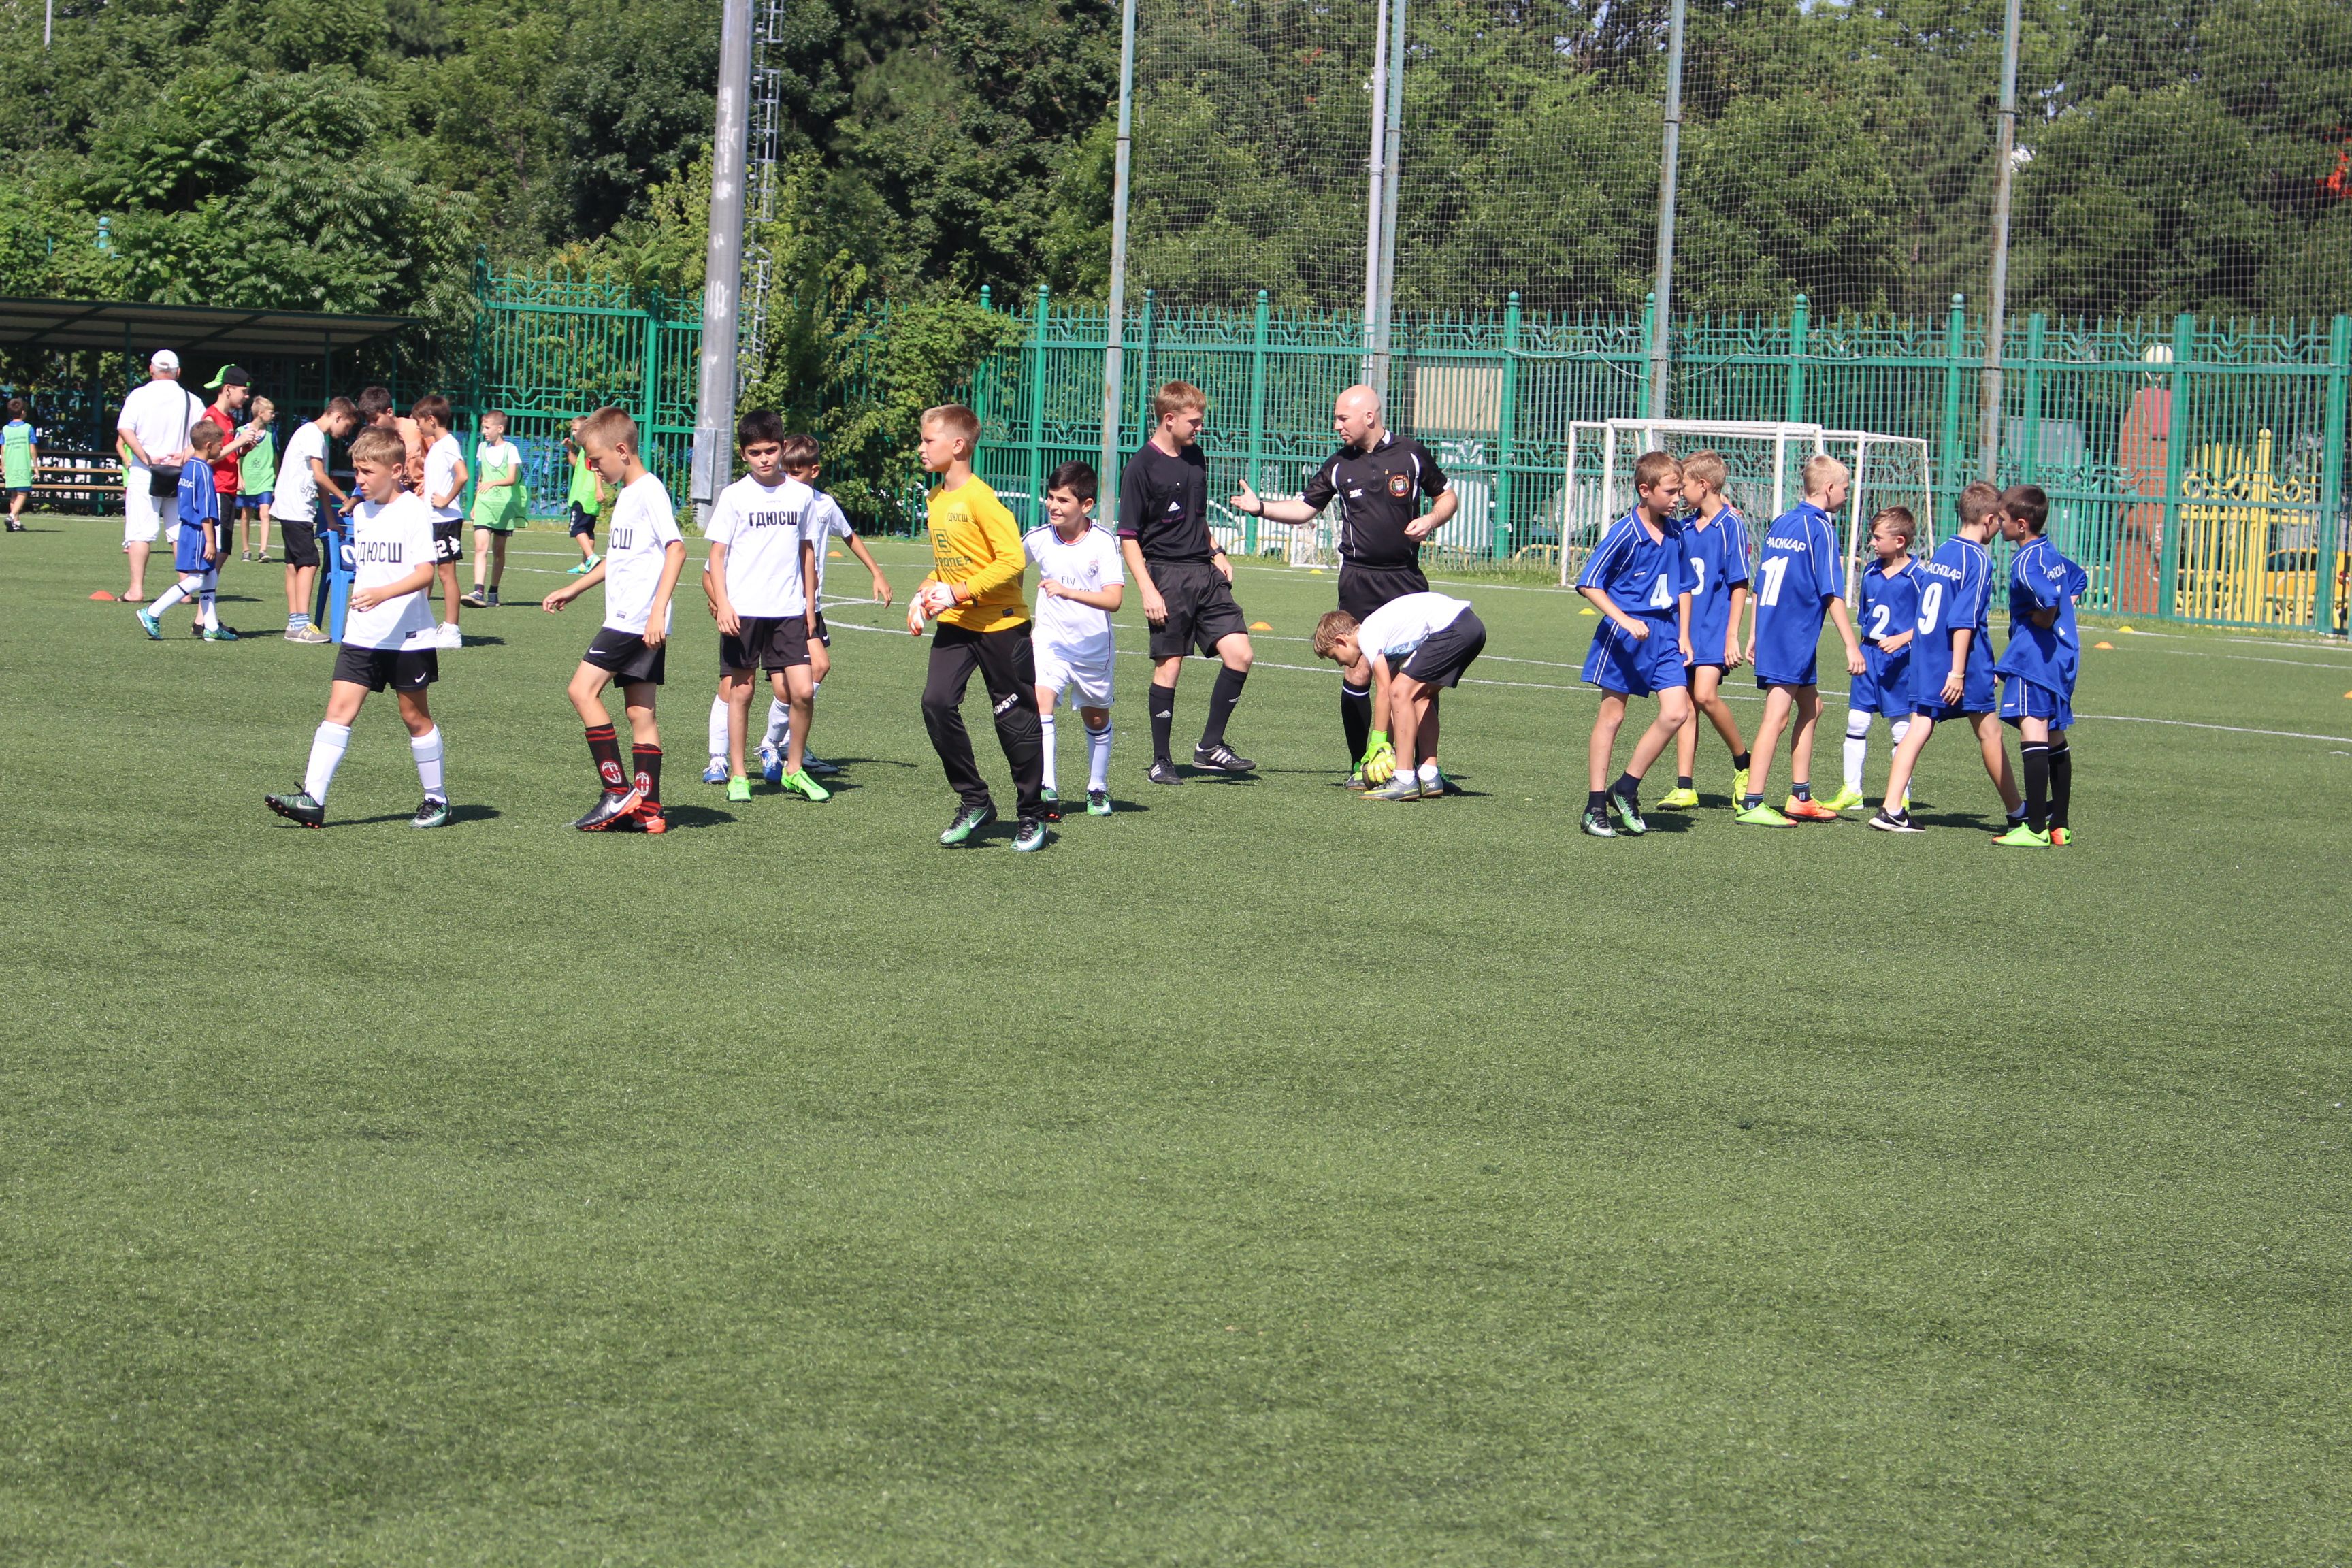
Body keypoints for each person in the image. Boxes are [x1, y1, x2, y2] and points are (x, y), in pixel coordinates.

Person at [1231, 384, 1456, 785]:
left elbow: (1447, 497)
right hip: (1358, 580)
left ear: (1369, 416)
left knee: (1417, 675)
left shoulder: (1411, 454)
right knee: (1359, 672)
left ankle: (1425, 767)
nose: (1337, 425)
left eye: (1342, 418)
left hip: (1405, 577)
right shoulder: (1339, 464)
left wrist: (1431, 519)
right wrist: (1260, 508)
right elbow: (1305, 508)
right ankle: (1361, 765)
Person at [265, 425, 451, 830]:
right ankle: (313, 799)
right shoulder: (361, 512)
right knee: (338, 711)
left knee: (414, 717)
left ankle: (436, 798)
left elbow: (425, 574)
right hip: (362, 634)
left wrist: (383, 594)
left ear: (396, 471)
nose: (359, 480)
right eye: (356, 471)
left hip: (408, 637)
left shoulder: (413, 511)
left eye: (368, 472)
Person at [908, 403, 1049, 851]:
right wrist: (925, 592)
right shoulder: (935, 498)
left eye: (928, 440)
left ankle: (1032, 814)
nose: (921, 448)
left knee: (1014, 720)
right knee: (936, 703)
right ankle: (975, 800)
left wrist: (960, 591)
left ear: (958, 445)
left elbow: (1011, 561)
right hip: (957, 624)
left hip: (1001, 626)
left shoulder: (981, 500)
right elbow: (950, 565)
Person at [542, 406, 686, 833]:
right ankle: (650, 811)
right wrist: (575, 588)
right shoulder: (627, 494)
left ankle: (616, 791)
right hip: (638, 619)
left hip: (634, 619)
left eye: (597, 459)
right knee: (641, 712)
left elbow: (677, 549)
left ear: (622, 451)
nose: (592, 467)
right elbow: (619, 560)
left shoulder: (649, 491)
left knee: (581, 690)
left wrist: (657, 610)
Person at [1115, 381, 1254, 783]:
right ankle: (1161, 761)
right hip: (1166, 575)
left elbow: (1196, 517)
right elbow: (1129, 537)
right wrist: (1148, 589)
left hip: (1204, 572)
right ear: (1169, 419)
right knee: (1170, 665)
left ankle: (1210, 746)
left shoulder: (1196, 456)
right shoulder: (1141, 466)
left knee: (1241, 654)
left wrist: (1217, 551)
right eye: (1193, 421)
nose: (1200, 427)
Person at [1870, 482, 2024, 834]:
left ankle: (1891, 808)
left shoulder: (1943, 551)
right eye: (1999, 520)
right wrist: (1957, 672)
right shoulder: (1978, 559)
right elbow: (1963, 620)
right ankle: (2018, 812)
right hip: (1962, 661)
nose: (2000, 526)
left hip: (1927, 655)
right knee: (1990, 733)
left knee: (1920, 725)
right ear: (1988, 520)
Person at [749, 434, 894, 781]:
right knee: (795, 682)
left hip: (811, 605)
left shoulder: (824, 505)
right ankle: (774, 742)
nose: (790, 477)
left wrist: (876, 572)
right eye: (787, 471)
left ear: (814, 471)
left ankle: (781, 743)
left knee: (812, 673)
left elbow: (849, 535)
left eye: (797, 472)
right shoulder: (778, 501)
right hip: (784, 604)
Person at [700, 410, 828, 804]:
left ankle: (794, 770)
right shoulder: (734, 495)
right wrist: (723, 604)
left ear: (782, 447)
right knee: (742, 691)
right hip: (744, 611)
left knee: (803, 691)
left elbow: (807, 552)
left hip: (788, 610)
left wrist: (809, 605)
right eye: (755, 452)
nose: (764, 459)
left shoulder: (801, 495)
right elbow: (717, 555)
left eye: (771, 450)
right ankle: (739, 775)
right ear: (743, 454)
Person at [1740, 454, 1865, 826]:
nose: (1847, 494)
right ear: (1829, 488)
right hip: (1792, 635)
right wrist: (1851, 644)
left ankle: (1800, 797)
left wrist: (1754, 632)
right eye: (1845, 488)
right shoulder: (1820, 528)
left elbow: (1760, 584)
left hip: (1777, 630)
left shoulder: (1781, 522)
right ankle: (1752, 802)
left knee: (1812, 708)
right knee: (1776, 717)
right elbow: (1832, 593)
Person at [1574, 451, 1695, 837]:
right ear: (1645, 490)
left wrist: (1684, 634)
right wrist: (1624, 620)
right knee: (1612, 717)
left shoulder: (1676, 533)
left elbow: (1685, 586)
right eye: (1671, 492)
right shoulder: (1624, 532)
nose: (1678, 499)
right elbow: (1589, 583)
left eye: (1680, 491)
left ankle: (1626, 787)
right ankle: (1595, 805)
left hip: (1666, 636)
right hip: (1625, 637)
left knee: (1676, 713)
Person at [1311, 592, 1488, 802]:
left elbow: (1386, 691)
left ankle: (1404, 779)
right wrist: (1386, 745)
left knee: (1399, 691)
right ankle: (1429, 775)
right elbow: (1395, 707)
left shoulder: (1367, 634)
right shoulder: (1385, 640)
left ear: (1341, 640)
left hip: (1453, 628)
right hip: (1471, 627)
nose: (1339, 663)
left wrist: (1378, 743)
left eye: (1334, 656)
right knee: (1419, 697)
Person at [1022, 460, 1123, 819]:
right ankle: (1047, 786)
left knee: (1096, 719)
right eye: (1050, 497)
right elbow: (1009, 568)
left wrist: (1067, 592)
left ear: (1087, 505)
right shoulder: (1038, 538)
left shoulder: (1104, 542)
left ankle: (1097, 787)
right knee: (1041, 703)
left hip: (1093, 646)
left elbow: (1114, 600)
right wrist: (1015, 614)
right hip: (1050, 641)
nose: (1053, 505)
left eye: (1063, 500)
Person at [1993, 484, 2087, 847]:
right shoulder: (2050, 552)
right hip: (2062, 657)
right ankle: (2059, 824)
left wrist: (2045, 617)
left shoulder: (2025, 561)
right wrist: (2064, 608)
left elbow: (2047, 600)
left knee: (2033, 731)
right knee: (2055, 736)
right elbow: (2077, 578)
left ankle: (2034, 828)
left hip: (2034, 660)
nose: (1998, 524)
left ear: (2020, 525)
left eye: (2002, 519)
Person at [1659, 449, 1750, 808]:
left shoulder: (1731, 525)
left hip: (1714, 628)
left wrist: (1732, 635)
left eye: (1683, 486)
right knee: (1685, 704)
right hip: (1684, 628)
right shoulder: (1683, 527)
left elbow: (1740, 583)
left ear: (1703, 485)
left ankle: (1743, 761)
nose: (1679, 493)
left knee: (1705, 696)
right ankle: (1685, 785)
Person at [1832, 507, 1921, 815]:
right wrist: (1858, 651)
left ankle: (1902, 795)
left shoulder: (1918, 577)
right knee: (1857, 720)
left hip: (1900, 661)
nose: (1871, 543)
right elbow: (1866, 619)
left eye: (1877, 538)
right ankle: (1852, 791)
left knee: (1901, 728)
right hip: (1869, 655)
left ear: (1900, 541)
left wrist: (1903, 638)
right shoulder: (1870, 573)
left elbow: (1930, 624)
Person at [115, 350, 207, 602]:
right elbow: (203, 436)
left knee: (140, 531)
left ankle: (136, 590)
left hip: (145, 472)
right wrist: (183, 456)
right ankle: (185, 590)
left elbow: (125, 428)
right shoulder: (192, 400)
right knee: (179, 531)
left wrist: (146, 457)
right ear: (178, 372)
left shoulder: (139, 396)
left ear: (151, 369)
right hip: (179, 472)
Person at [137, 421, 235, 640]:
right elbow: (205, 511)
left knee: (210, 576)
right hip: (200, 532)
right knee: (196, 579)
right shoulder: (204, 471)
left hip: (188, 529)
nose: (222, 448)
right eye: (220, 444)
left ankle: (211, 626)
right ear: (209, 446)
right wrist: (211, 541)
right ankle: (152, 612)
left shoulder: (189, 467)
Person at [272, 397, 359, 644]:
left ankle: (294, 624)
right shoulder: (312, 434)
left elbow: (320, 484)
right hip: (295, 508)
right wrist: (345, 498)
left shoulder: (318, 439)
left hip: (293, 508)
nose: (346, 433)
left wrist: (330, 520)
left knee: (294, 564)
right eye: (348, 426)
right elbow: (320, 477)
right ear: (338, 416)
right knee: (309, 562)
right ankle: (301, 624)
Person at [413, 395, 468, 649]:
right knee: (425, 571)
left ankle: (452, 629)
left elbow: (462, 475)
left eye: (419, 421)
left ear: (431, 420)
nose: (417, 426)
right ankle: (423, 625)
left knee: (446, 574)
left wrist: (446, 499)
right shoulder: (436, 446)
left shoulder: (448, 444)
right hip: (432, 519)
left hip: (445, 520)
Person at [462, 410, 527, 606]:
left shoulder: (510, 450)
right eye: (483, 427)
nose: (484, 431)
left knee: (499, 550)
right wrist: (475, 504)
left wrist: (493, 483)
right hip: (485, 504)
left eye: (487, 428)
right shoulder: (482, 448)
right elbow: (481, 478)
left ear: (500, 429)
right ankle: (478, 591)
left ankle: (494, 591)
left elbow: (511, 478)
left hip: (504, 506)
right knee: (480, 547)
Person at [199, 367, 259, 550]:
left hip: (229, 489)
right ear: (227, 389)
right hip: (217, 489)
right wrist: (238, 442)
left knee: (224, 549)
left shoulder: (229, 418)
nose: (246, 396)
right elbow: (206, 459)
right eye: (243, 391)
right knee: (217, 550)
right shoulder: (211, 418)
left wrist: (242, 450)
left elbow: (225, 453)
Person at [235, 397, 277, 562]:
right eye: (271, 412)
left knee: (265, 513)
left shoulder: (272, 433)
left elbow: (275, 456)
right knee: (246, 515)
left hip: (265, 479)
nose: (273, 416)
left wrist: (277, 476)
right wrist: (239, 477)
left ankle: (263, 550)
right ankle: (246, 550)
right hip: (248, 480)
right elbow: (235, 457)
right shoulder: (242, 431)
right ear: (260, 413)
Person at [563, 416, 605, 574]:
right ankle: (584, 564)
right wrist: (570, 449)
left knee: (576, 528)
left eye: (576, 430)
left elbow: (596, 468)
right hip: (588, 496)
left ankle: (592, 558)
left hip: (584, 495)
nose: (574, 433)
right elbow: (577, 464)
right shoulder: (584, 448)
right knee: (588, 531)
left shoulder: (590, 447)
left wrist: (598, 488)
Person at [3, 397, 35, 532]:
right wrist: (36, 466)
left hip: (10, 466)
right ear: (23, 412)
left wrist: (3, 466)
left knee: (14, 496)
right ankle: (11, 517)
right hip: (23, 465)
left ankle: (16, 523)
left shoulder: (5, 429)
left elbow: (3, 450)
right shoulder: (28, 428)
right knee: (22, 494)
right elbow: (32, 449)